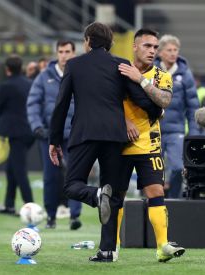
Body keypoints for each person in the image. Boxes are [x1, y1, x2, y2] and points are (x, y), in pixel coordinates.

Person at [48, 22, 163, 262]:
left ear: (87, 40)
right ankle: (108, 250)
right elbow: (142, 99)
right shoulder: (120, 65)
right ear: (110, 43)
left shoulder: (74, 65)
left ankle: (97, 195)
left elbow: (61, 105)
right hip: (114, 137)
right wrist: (155, 111)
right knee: (113, 195)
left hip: (85, 133)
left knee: (72, 186)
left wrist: (54, 139)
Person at [103, 28, 185, 263]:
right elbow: (106, 102)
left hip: (149, 143)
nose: (152, 51)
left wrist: (141, 80)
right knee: (116, 196)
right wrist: (123, 121)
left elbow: (165, 101)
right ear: (135, 47)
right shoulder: (119, 70)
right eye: (147, 46)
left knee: (156, 192)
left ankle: (162, 246)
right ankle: (113, 245)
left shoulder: (161, 76)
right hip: (120, 142)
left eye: (155, 47)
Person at [27, 40, 82, 230]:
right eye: (61, 51)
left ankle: (75, 216)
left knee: (75, 176)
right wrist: (37, 127)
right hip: (50, 135)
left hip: (75, 134)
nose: (64, 55)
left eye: (68, 51)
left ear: (74, 53)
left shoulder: (81, 74)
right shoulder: (44, 77)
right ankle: (51, 216)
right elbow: (33, 103)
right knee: (50, 177)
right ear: (57, 53)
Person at [0, 55, 34, 215]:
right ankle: (9, 205)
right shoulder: (30, 83)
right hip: (29, 130)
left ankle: (30, 206)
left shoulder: (7, 86)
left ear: (7, 69)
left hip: (16, 132)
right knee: (11, 169)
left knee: (19, 170)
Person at [154, 34, 200, 199]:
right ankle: (152, 200)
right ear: (160, 53)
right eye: (169, 50)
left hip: (176, 131)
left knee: (178, 168)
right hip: (154, 129)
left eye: (175, 50)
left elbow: (193, 106)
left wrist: (193, 132)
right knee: (152, 171)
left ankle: (173, 199)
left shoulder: (185, 74)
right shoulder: (151, 72)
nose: (173, 53)